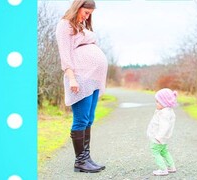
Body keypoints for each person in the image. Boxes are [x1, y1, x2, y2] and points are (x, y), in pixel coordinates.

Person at [55, 0, 108, 173]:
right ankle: (80, 161)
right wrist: (72, 79)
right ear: (77, 8)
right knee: (81, 119)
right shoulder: (64, 25)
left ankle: (86, 158)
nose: (88, 16)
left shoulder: (81, 26)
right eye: (86, 12)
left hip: (92, 79)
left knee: (89, 118)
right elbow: (65, 55)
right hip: (79, 78)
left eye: (90, 14)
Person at [147, 88, 178, 176]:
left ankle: (163, 169)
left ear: (165, 103)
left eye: (158, 102)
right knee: (164, 151)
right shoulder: (168, 111)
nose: (156, 104)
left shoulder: (164, 114)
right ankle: (171, 167)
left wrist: (159, 137)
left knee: (155, 152)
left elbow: (165, 127)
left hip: (158, 138)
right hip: (163, 138)